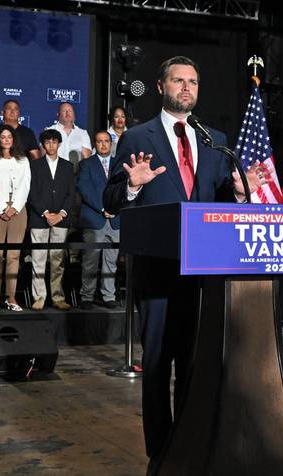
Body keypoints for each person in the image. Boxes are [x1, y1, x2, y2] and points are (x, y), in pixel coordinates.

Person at [102, 56, 264, 460]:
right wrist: (134, 187)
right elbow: (111, 199)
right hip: (157, 272)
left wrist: (241, 196)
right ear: (161, 87)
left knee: (196, 365)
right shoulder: (139, 137)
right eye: (178, 80)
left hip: (203, 276)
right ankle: (161, 453)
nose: (186, 87)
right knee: (157, 367)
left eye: (192, 81)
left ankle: (191, 445)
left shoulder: (214, 140)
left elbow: (223, 206)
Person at [28, 129, 75, 310]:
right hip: (40, 218)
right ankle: (39, 297)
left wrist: (61, 214)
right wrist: (46, 213)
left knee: (58, 260)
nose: (51, 145)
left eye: (54, 142)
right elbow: (31, 193)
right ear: (43, 145)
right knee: (38, 259)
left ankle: (58, 297)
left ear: (59, 144)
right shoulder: (35, 166)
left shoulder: (67, 166)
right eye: (47, 142)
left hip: (61, 219)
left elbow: (71, 194)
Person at [0, 124, 30, 312]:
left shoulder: (23, 160)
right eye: (2, 137)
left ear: (14, 139)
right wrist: (3, 207)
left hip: (18, 209)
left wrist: (15, 207)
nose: (6, 140)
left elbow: (25, 185)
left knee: (14, 255)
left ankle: (11, 298)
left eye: (9, 136)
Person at [78, 130, 120, 308]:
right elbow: (84, 188)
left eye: (106, 141)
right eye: (99, 142)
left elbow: (126, 189)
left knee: (111, 261)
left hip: (116, 219)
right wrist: (103, 208)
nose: (103, 144)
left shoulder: (120, 165)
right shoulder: (86, 164)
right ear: (94, 144)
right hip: (94, 218)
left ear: (111, 144)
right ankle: (87, 296)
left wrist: (114, 209)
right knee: (90, 260)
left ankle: (108, 296)